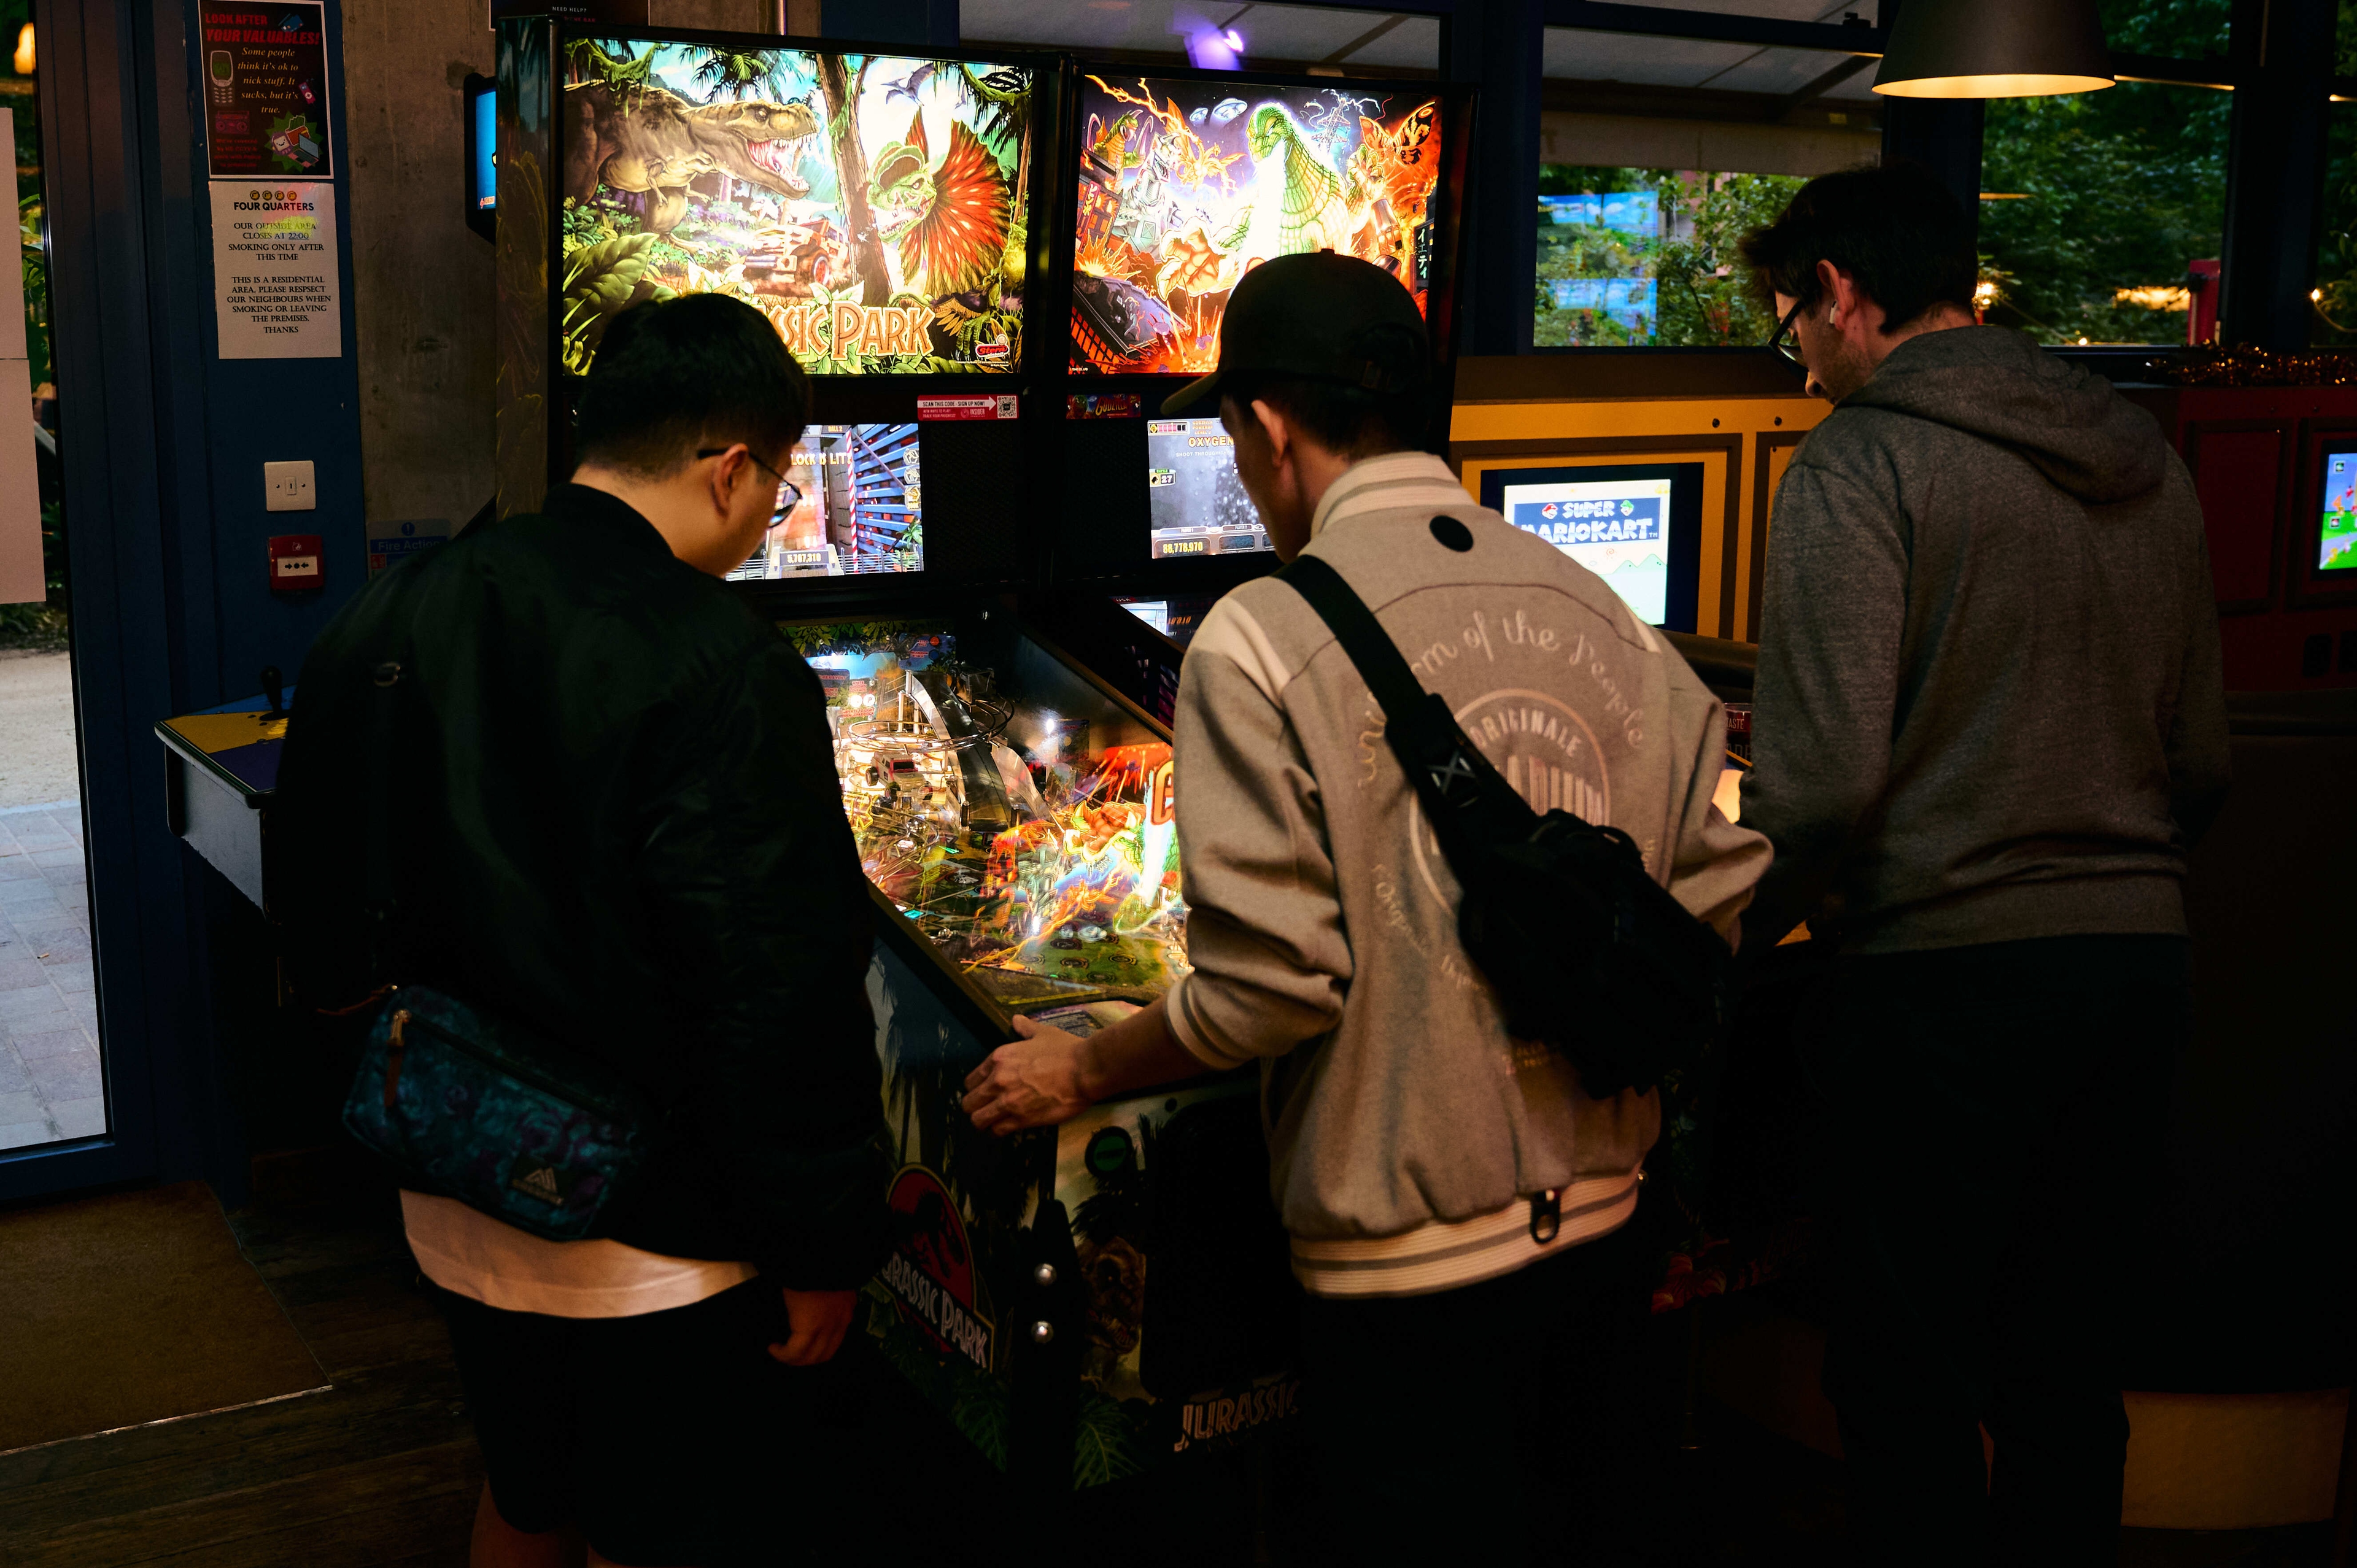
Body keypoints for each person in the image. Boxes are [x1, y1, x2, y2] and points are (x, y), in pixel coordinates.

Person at [959, 252, 1769, 1564]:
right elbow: (1724, 887)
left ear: (1271, 428)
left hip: (1408, 1285)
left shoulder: (1261, 638)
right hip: (1614, 1240)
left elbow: (1274, 991)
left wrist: (1082, 1066)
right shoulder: (1602, 609)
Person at [273, 293, 886, 1568]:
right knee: (654, 1536)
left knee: (526, 1492)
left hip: (450, 1181)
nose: (771, 516)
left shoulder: (398, 607)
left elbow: (317, 895)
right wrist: (825, 1242)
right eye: (776, 487)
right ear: (730, 469)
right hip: (649, 1232)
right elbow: (777, 985)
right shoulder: (720, 662)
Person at [1735, 163, 2232, 1561]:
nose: (1805, 362)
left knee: (1908, 1381)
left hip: (1939, 986)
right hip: (2138, 975)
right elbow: (2202, 761)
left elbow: (1822, 785)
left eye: (1794, 325)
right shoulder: (2148, 455)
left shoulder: (1860, 461)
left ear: (1843, 292)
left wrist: (1718, 927)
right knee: (2069, 1374)